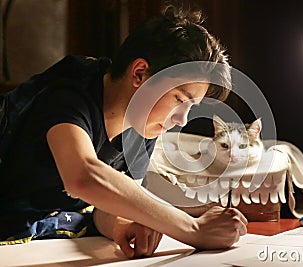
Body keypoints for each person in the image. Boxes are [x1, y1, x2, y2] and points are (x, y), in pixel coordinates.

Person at [0, 5, 247, 258]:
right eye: (178, 99)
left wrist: (125, 223)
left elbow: (104, 206)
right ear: (140, 73)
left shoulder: (143, 126)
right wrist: (192, 229)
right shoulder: (70, 94)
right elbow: (83, 176)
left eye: (190, 107)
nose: (182, 119)